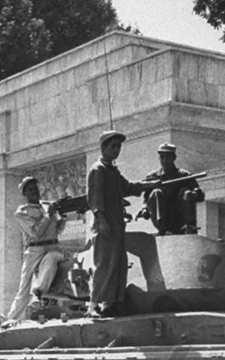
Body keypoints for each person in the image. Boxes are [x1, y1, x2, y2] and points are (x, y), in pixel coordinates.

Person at [86, 130, 154, 318]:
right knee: (104, 264)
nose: (117, 150)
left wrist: (149, 185)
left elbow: (128, 188)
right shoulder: (97, 169)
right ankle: (92, 306)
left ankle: (113, 303)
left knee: (119, 264)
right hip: (104, 226)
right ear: (104, 147)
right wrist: (101, 219)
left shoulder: (113, 171)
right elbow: (94, 198)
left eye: (119, 147)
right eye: (113, 146)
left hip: (117, 226)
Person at [5, 176, 69, 321]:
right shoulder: (21, 212)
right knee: (23, 289)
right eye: (30, 189)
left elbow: (58, 230)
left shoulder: (47, 205)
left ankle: (37, 296)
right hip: (35, 250)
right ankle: (11, 320)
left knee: (53, 257)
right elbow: (36, 233)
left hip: (53, 247)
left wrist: (63, 217)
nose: (34, 191)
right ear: (24, 194)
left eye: (35, 188)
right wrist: (48, 214)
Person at [137, 142, 205, 235]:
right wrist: (144, 209)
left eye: (168, 157)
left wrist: (193, 194)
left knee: (185, 191)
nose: (165, 161)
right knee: (156, 192)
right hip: (163, 217)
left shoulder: (183, 175)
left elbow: (201, 196)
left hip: (179, 217)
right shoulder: (153, 177)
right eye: (162, 157)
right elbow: (146, 198)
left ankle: (188, 227)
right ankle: (162, 229)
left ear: (174, 158)